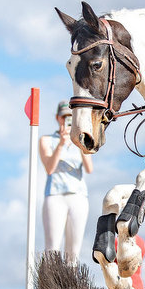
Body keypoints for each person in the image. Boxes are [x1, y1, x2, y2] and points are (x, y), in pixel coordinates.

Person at [40, 100, 93, 264]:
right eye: (64, 117)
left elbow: (89, 168)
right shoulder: (47, 140)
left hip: (78, 196)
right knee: (53, 248)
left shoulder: (80, 139)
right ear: (57, 118)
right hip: (55, 195)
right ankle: (50, 283)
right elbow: (49, 168)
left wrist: (80, 142)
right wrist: (61, 145)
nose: (66, 120)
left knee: (74, 250)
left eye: (70, 117)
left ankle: (70, 285)